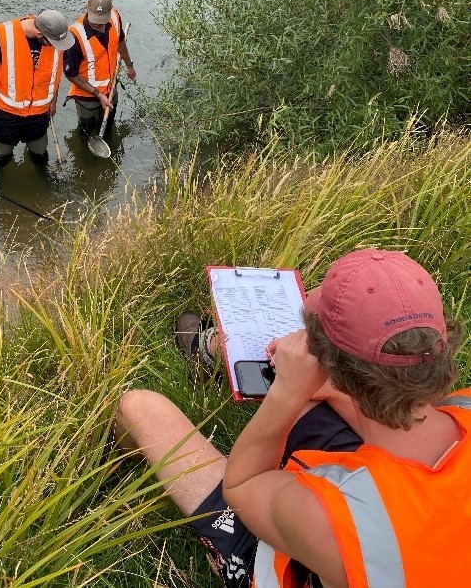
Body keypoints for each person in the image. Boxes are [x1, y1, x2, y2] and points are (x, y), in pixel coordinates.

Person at [115, 249, 471, 587]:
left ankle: (115, 466)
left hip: (290, 557)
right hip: (385, 498)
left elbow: (242, 485)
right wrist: (326, 388)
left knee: (139, 408)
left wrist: (288, 393)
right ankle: (215, 353)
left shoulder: (333, 518)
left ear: (333, 367)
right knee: (307, 399)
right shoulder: (463, 407)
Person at [0, 10, 74, 166]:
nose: (58, 47)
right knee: (3, 155)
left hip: (40, 112)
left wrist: (53, 101)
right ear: (40, 34)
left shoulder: (58, 37)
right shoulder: (4, 35)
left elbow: (55, 73)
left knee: (39, 154)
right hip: (6, 112)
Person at [63, 0, 135, 138]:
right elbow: (70, 74)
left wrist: (129, 65)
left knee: (108, 125)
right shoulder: (74, 35)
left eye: (103, 22)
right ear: (86, 8)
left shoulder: (115, 17)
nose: (100, 27)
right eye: (96, 23)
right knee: (86, 131)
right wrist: (97, 93)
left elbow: (120, 41)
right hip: (86, 96)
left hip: (110, 87)